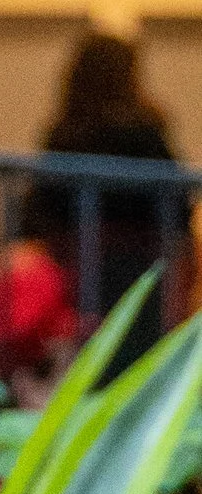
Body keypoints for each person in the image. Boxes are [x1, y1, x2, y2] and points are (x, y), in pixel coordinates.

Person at [24, 31, 187, 338]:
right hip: (143, 272)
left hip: (74, 273)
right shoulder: (144, 131)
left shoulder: (66, 133)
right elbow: (177, 208)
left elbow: (38, 210)